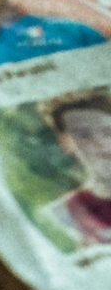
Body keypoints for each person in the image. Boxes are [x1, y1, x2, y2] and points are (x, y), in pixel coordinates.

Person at [41, 91, 111, 247]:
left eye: (107, 131)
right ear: (66, 142)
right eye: (84, 135)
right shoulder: (62, 215)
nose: (100, 144)